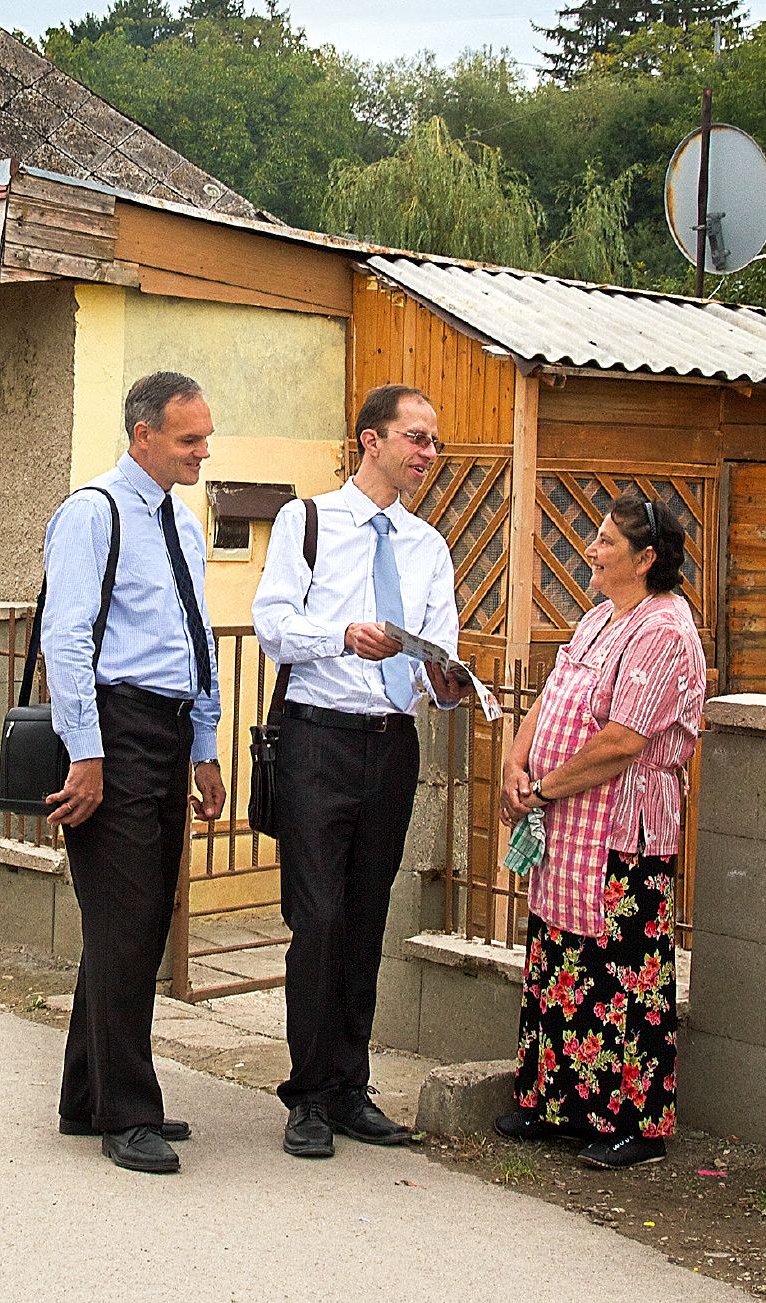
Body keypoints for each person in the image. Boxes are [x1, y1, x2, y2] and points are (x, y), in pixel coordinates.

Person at [252, 383, 465, 1159]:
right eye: (415, 437)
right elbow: (272, 624)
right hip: (317, 740)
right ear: (370, 440)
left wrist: (444, 682)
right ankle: (306, 1092)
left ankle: (349, 1085)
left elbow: (434, 649)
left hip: (391, 742)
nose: (427, 453)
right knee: (317, 918)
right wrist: (343, 635)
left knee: (367, 914)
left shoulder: (426, 545)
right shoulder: (305, 520)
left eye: (434, 442)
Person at [41, 371, 226, 1175]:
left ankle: (86, 1095)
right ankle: (128, 1113)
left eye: (204, 437)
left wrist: (205, 743)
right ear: (142, 434)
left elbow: (197, 639)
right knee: (126, 919)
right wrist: (86, 752)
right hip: (111, 732)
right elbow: (67, 639)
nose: (201, 451)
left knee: (139, 921)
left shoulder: (182, 525)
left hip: (168, 729)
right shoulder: (93, 512)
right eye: (188, 439)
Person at [496, 495, 706, 1169]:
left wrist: (544, 788)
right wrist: (515, 759)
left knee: (625, 975)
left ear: (646, 559)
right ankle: (557, 1105)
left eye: (608, 540)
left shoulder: (664, 630)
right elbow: (555, 691)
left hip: (623, 831)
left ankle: (637, 1125)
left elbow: (623, 739)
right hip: (568, 821)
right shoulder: (596, 619)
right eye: (595, 533)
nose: (593, 547)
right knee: (562, 961)